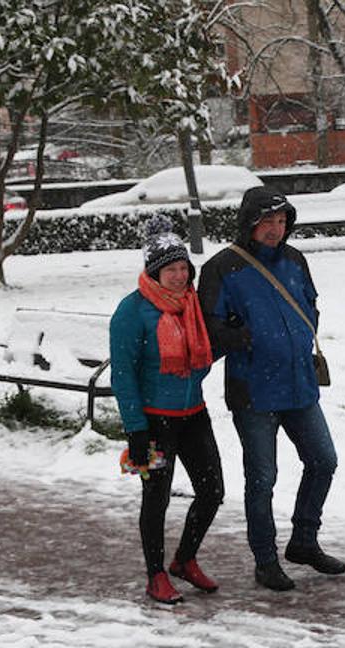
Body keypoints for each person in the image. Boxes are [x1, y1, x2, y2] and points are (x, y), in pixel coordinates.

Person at [199, 187, 345, 592]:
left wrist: (302, 334)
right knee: (263, 477)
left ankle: (303, 540)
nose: (275, 230)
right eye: (268, 222)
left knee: (324, 461)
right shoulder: (221, 268)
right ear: (250, 223)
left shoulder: (295, 260)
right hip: (253, 390)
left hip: (299, 385)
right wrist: (243, 337)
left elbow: (310, 303)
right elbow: (208, 325)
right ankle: (265, 559)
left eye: (282, 222)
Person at [110, 215, 225, 604]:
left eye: (183, 268)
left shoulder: (193, 306)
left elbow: (202, 358)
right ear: (153, 272)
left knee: (212, 491)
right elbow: (123, 375)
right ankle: (156, 574)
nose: (179, 276)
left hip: (194, 413)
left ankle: (185, 560)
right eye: (170, 269)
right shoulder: (132, 311)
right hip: (155, 421)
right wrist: (135, 430)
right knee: (156, 500)